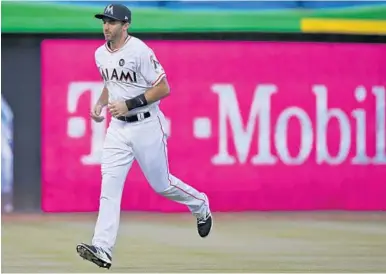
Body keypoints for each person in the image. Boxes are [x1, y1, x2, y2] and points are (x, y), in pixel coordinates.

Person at [76, 3, 213, 269]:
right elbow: (111, 83)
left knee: (162, 185)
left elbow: (163, 88)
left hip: (146, 125)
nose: (106, 26)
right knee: (109, 189)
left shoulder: (139, 50)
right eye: (104, 21)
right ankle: (103, 248)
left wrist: (129, 104)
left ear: (125, 25)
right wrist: (101, 103)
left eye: (112, 22)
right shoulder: (99, 54)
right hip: (117, 129)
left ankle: (200, 204)